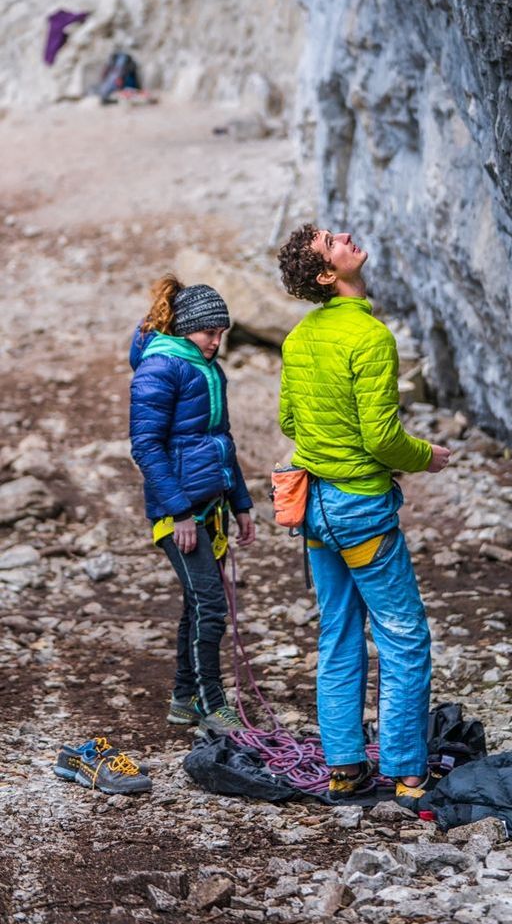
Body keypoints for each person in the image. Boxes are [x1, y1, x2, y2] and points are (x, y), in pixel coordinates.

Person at [277, 224, 450, 799]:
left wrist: (328, 445)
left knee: (339, 632)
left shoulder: (299, 339)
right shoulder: (371, 336)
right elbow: (381, 438)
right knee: (403, 635)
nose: (346, 235)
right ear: (328, 275)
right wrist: (427, 457)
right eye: (333, 242)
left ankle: (346, 768)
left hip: (315, 508)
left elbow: (289, 424)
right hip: (359, 507)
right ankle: (406, 771)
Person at [129, 274, 255, 735]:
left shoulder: (206, 368)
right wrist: (179, 511)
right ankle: (211, 703)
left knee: (197, 605)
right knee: (210, 604)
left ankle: (183, 699)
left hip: (210, 505)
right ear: (186, 328)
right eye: (209, 333)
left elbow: (220, 440)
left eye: (221, 333)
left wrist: (240, 502)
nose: (216, 342)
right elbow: (146, 446)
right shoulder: (161, 368)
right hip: (177, 511)